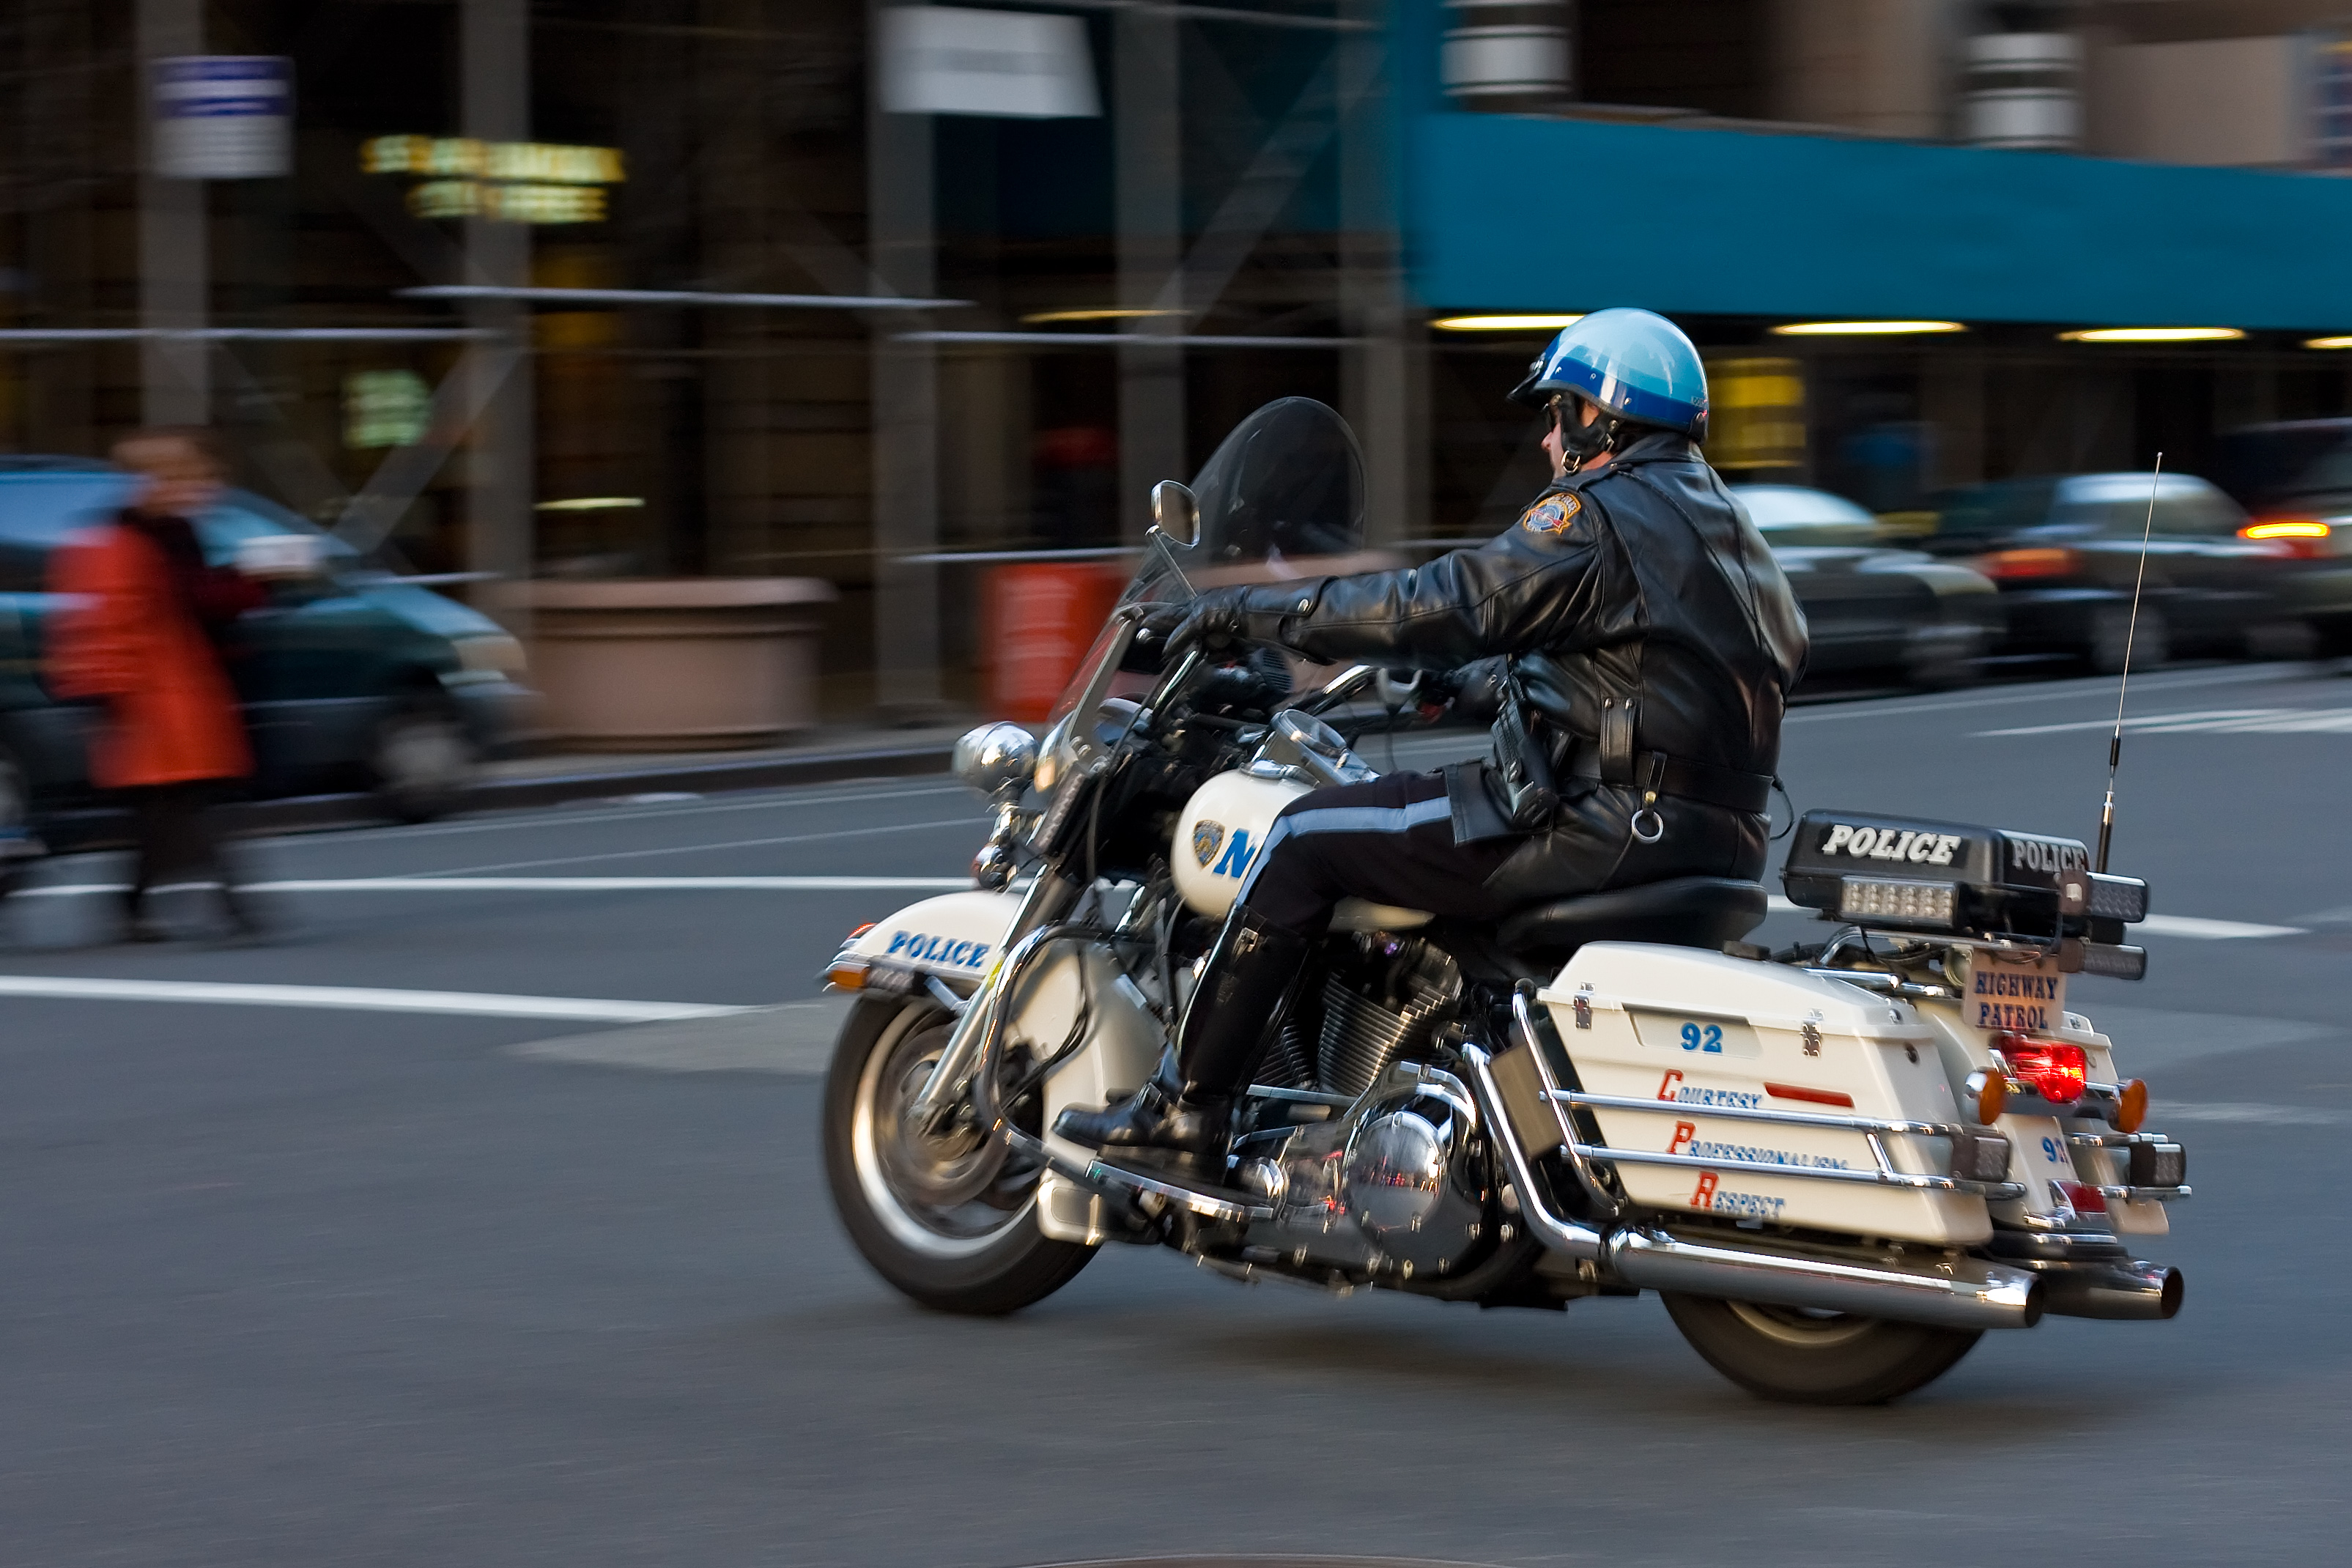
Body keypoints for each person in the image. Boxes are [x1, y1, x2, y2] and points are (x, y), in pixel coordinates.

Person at [1057, 308, 1809, 1172]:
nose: (1546, 442)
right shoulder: (1728, 529)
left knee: (1300, 838)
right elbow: (1645, 668)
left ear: (1596, 418)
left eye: (1554, 414)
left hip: (1586, 824)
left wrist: (1246, 613)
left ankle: (1186, 1114)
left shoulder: (1594, 513)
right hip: (1708, 835)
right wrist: (1474, 683)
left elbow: (1443, 603)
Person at [46, 427, 269, 942]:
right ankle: (232, 905)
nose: (206, 493)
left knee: (165, 810)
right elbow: (119, 622)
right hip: (151, 697)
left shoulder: (160, 533)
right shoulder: (131, 540)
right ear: (163, 481)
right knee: (177, 806)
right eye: (197, 481)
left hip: (170, 692)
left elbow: (193, 606)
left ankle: (141, 906)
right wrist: (253, 580)